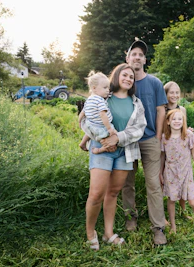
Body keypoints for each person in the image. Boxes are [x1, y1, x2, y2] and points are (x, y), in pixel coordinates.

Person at [82, 63, 147, 250]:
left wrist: (117, 139)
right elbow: (86, 119)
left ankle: (108, 233)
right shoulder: (103, 96)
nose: (128, 79)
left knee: (113, 193)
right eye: (124, 75)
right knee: (96, 194)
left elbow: (139, 129)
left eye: (131, 77)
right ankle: (90, 233)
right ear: (117, 76)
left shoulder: (136, 103)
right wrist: (104, 141)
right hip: (101, 149)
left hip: (124, 152)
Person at [122, 39, 169, 245]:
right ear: (127, 58)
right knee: (127, 182)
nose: (137, 57)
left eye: (141, 54)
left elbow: (161, 110)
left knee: (153, 184)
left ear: (145, 60)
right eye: (134, 54)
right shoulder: (122, 81)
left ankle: (158, 227)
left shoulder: (155, 82)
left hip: (150, 139)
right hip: (129, 140)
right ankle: (130, 216)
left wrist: (158, 138)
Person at [159, 109, 194, 234]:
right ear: (168, 122)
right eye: (174, 119)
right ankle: (173, 225)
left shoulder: (188, 135)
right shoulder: (165, 138)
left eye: (180, 119)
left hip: (186, 173)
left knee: (192, 201)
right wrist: (160, 172)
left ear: (183, 121)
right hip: (170, 173)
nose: (177, 121)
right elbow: (162, 156)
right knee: (172, 200)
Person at [163, 81, 193, 218]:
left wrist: (188, 130)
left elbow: (183, 126)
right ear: (166, 94)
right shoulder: (162, 110)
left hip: (180, 151)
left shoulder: (182, 110)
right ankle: (166, 214)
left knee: (182, 181)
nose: (174, 95)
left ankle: (183, 210)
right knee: (170, 182)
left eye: (177, 92)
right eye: (171, 92)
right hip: (167, 149)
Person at [79, 71, 117, 154]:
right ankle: (99, 150)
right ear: (94, 88)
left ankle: (83, 142)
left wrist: (80, 122)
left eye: (108, 88)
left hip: (90, 124)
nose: (108, 90)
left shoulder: (89, 99)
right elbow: (103, 114)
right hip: (101, 127)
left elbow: (82, 113)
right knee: (113, 136)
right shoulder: (99, 100)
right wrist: (109, 128)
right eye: (105, 88)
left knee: (90, 131)